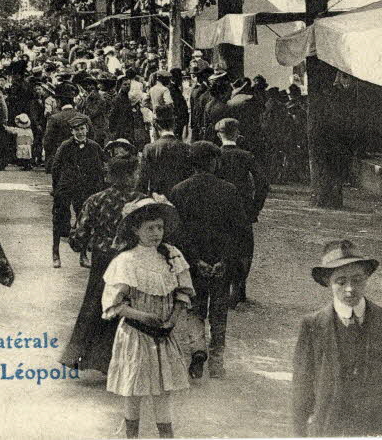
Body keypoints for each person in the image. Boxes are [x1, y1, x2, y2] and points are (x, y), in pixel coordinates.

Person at [291, 239, 382, 437]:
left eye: (357, 279)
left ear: (367, 278)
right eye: (341, 281)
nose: (350, 289)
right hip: (329, 429)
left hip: (381, 429)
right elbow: (301, 392)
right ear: (328, 282)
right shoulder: (312, 326)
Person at [102, 196, 193, 439]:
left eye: (160, 227)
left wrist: (172, 319)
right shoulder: (126, 260)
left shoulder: (171, 256)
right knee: (134, 387)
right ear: (135, 230)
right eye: (149, 228)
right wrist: (142, 316)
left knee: (163, 388)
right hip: (136, 333)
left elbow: (183, 293)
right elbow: (114, 305)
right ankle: (131, 434)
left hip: (164, 334)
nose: (156, 233)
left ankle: (166, 435)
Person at [59, 154, 146, 374]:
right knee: (130, 309)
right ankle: (127, 363)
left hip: (103, 261)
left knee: (95, 306)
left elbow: (78, 239)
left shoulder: (95, 200)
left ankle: (88, 357)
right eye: (135, 172)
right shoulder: (141, 202)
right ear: (128, 175)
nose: (138, 176)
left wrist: (86, 245)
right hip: (132, 262)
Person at [170, 141, 246, 379]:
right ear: (213, 162)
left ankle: (197, 350)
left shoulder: (179, 191)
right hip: (221, 263)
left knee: (195, 309)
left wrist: (194, 260)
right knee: (219, 313)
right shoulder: (229, 190)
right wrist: (226, 260)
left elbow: (176, 233)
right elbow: (239, 231)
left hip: (192, 264)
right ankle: (217, 363)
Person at [214, 117, 269, 305]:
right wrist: (255, 207)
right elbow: (262, 182)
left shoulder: (215, 156)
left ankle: (223, 287)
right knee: (244, 248)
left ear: (219, 135)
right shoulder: (246, 156)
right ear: (237, 134)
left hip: (220, 210)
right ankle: (239, 288)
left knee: (222, 246)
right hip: (243, 209)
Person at [51, 118, 105, 268]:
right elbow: (56, 167)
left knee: (85, 221)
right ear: (72, 131)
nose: (80, 132)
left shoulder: (94, 147)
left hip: (85, 189)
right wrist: (56, 189)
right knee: (59, 218)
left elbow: (101, 168)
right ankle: (55, 253)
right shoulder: (65, 146)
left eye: (83, 129)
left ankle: (83, 255)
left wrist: (97, 189)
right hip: (66, 187)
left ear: (87, 130)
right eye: (77, 130)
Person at [140, 108, 189, 196]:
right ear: (174, 124)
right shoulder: (185, 148)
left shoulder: (149, 149)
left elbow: (143, 181)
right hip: (180, 198)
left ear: (157, 125)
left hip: (158, 200)